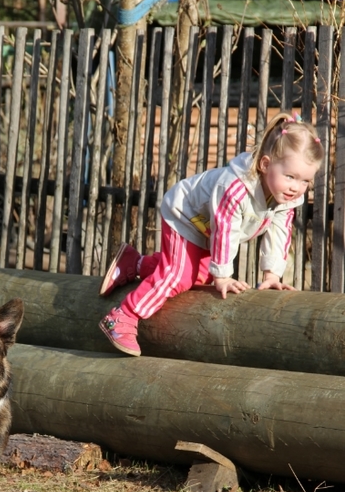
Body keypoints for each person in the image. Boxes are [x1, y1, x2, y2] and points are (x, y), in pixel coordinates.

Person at [98, 111, 324, 357]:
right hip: (185, 215)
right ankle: (123, 315)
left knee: (198, 276)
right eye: (290, 176)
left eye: (305, 181)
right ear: (265, 164)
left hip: (206, 229)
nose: (296, 187)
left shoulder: (287, 199)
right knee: (176, 276)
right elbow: (225, 229)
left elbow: (280, 232)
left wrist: (272, 274)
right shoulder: (235, 188)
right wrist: (224, 276)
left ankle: (135, 264)